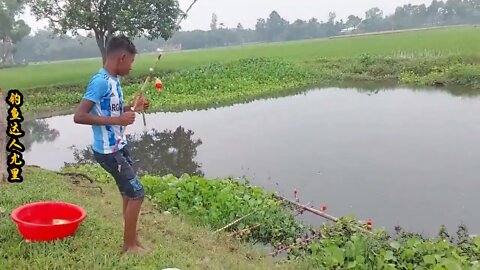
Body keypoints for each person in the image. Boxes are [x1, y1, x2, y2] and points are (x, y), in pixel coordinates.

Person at [73, 34, 149, 255]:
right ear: (122, 57)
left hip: (119, 146)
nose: (132, 67)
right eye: (132, 62)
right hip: (108, 152)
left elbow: (111, 110)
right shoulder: (100, 81)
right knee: (137, 193)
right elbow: (79, 116)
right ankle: (129, 246)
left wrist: (131, 108)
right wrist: (118, 120)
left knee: (128, 192)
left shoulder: (113, 81)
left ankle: (132, 238)